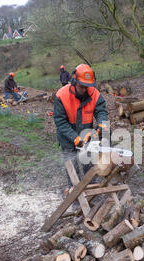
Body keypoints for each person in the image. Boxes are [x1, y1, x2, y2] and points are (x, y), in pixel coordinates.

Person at [53, 64, 109, 195]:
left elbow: (101, 111)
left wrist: (101, 124)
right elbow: (60, 122)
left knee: (89, 164)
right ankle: (74, 193)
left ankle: (92, 191)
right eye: (82, 86)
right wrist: (74, 138)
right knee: (72, 167)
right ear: (74, 82)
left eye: (87, 87)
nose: (84, 89)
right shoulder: (62, 95)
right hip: (67, 137)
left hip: (86, 134)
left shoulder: (94, 93)